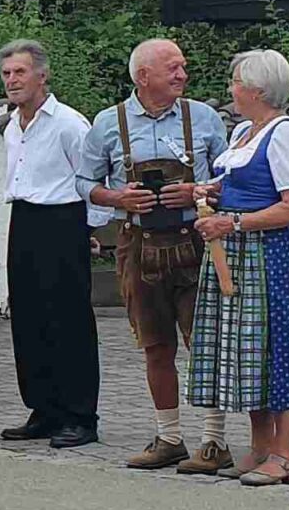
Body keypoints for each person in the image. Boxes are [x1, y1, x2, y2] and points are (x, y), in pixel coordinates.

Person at [83, 38, 230, 467]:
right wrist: (118, 198)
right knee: (155, 345)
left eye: (183, 66)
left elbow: (230, 177)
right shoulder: (108, 123)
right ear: (143, 76)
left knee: (205, 344)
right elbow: (83, 182)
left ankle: (214, 442)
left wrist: (198, 190)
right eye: (173, 68)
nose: (183, 74)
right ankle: (169, 438)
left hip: (196, 240)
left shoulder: (203, 117)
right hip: (138, 244)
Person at [191, 50, 289, 486]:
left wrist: (232, 221)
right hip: (239, 253)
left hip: (272, 255)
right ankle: (261, 447)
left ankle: (284, 455)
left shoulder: (287, 135)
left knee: (280, 347)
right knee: (249, 351)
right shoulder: (244, 131)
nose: (231, 89)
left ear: (258, 90)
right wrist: (213, 191)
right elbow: (243, 184)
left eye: (236, 82)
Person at [0, 41, 96, 450]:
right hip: (25, 219)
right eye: (6, 74)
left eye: (19, 72)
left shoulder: (69, 123)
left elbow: (90, 178)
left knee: (68, 319)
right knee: (29, 317)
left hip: (62, 220)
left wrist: (89, 229)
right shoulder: (13, 125)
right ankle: (44, 407)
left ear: (42, 75)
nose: (12, 80)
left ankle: (79, 415)